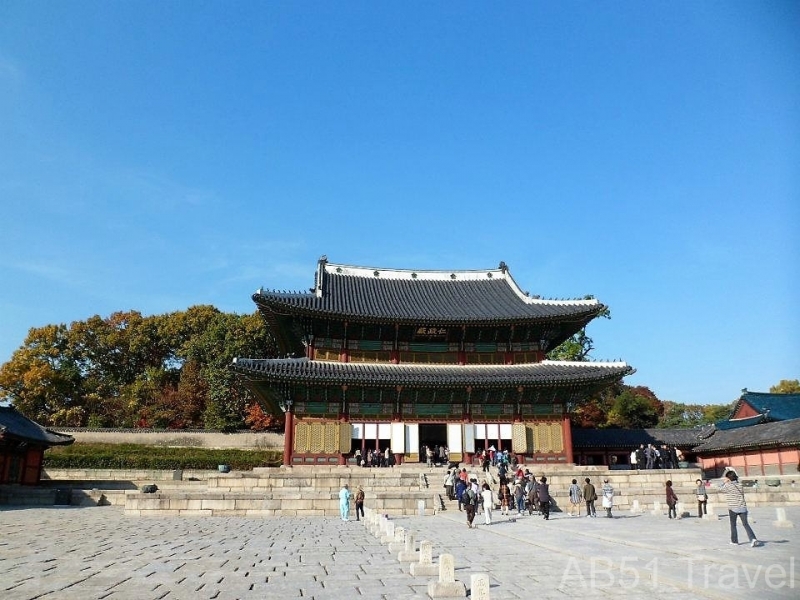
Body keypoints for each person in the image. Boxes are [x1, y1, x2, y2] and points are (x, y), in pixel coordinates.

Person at [720, 470, 762, 547]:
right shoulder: (740, 485)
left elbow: (720, 489)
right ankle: (753, 539)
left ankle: (734, 541)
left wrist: (725, 482)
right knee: (746, 524)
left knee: (733, 525)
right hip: (743, 507)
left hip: (733, 507)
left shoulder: (728, 485)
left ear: (728, 478)